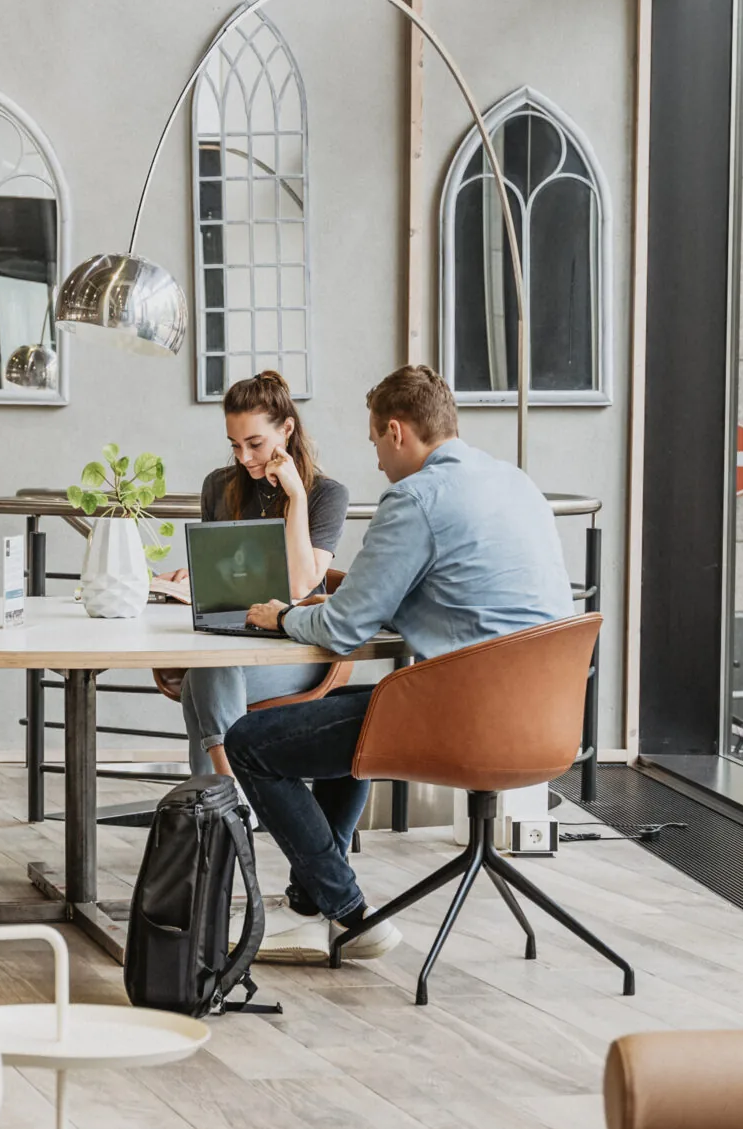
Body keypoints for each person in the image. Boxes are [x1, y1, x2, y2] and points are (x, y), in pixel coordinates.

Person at [224, 365, 569, 957]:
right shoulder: (516, 484)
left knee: (251, 742)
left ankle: (350, 913)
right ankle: (311, 905)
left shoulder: (416, 498)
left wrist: (280, 615)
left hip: (464, 715)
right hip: (548, 720)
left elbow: (340, 628)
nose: (378, 461)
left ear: (396, 431)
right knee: (338, 718)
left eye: (375, 444)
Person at [160, 370, 352, 777]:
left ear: (286, 429)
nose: (244, 457)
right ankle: (227, 809)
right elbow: (225, 578)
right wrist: (192, 579)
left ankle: (223, 800)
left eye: (255, 444)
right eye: (235, 445)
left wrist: (295, 495)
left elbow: (301, 584)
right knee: (210, 667)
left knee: (206, 674)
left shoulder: (325, 495)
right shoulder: (219, 486)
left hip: (299, 645)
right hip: (232, 636)